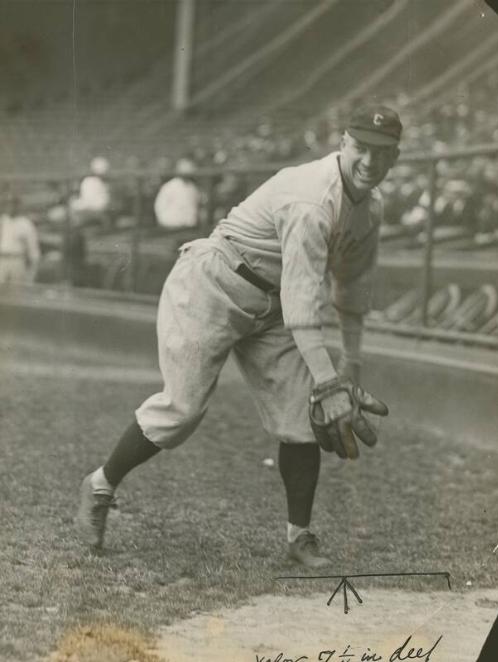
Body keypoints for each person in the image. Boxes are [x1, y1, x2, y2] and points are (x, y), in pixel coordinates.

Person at [76, 105, 402, 568]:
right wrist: (328, 383)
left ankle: (299, 535)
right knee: (181, 410)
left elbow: (350, 286)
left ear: (396, 158)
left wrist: (350, 365)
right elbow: (302, 300)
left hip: (271, 306)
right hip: (216, 281)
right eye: (361, 148)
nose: (370, 161)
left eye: (382, 152)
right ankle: (101, 485)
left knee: (299, 417)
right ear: (343, 144)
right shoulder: (314, 200)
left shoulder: (371, 207)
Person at [0, 191, 40, 284]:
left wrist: (33, 271)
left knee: (16, 291)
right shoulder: (3, 220)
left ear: (18, 206)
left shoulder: (25, 224)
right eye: (7, 204)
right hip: (2, 259)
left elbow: (33, 250)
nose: (9, 207)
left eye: (13, 204)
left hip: (17, 260)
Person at [153, 158, 201, 229]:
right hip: (172, 225)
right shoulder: (170, 186)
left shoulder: (193, 187)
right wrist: (165, 221)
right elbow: (159, 205)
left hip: (189, 226)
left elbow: (195, 205)